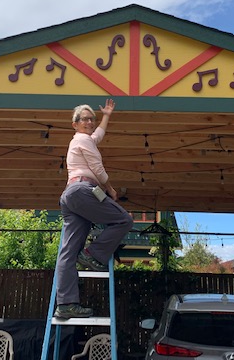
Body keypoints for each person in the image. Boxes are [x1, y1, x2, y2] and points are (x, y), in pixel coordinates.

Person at [54, 99, 134, 319]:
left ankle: (66, 305)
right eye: (85, 119)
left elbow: (97, 136)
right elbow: (98, 169)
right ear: (75, 124)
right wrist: (110, 189)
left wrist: (106, 115)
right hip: (83, 190)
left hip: (70, 195)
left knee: (68, 253)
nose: (89, 122)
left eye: (92, 119)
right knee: (123, 220)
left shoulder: (83, 140)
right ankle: (92, 254)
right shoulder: (82, 140)